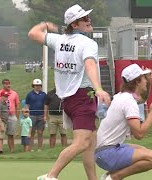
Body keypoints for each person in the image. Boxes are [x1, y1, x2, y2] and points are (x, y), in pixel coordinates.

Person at [28, 4, 111, 180]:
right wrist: (99, 89)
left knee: (89, 143)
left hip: (69, 99)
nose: (89, 21)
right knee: (81, 143)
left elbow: (33, 33)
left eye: (88, 17)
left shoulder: (59, 40)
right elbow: (89, 64)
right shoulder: (88, 43)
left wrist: (45, 24)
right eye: (84, 19)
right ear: (74, 24)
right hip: (83, 97)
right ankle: (50, 176)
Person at [95, 63, 152, 180]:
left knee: (143, 151)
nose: (146, 81)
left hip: (103, 151)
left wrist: (150, 81)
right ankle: (115, 177)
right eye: (144, 78)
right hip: (107, 153)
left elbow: (143, 98)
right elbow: (139, 134)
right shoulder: (128, 101)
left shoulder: (122, 96)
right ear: (137, 81)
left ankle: (110, 176)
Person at [0, 79, 20, 153]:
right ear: (3, 84)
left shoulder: (14, 93)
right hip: (2, 116)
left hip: (11, 116)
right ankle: (0, 150)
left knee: (11, 134)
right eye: (6, 84)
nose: (8, 85)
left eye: (9, 83)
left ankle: (12, 151)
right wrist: (0, 106)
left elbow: (17, 105)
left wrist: (17, 116)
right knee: (0, 134)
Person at [25, 78, 47, 151]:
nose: (37, 87)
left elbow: (45, 105)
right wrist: (27, 114)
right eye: (36, 85)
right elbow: (27, 105)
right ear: (33, 86)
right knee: (32, 132)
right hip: (32, 115)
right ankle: (31, 148)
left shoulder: (43, 94)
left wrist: (45, 115)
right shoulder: (30, 94)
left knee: (40, 132)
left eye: (39, 85)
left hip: (41, 115)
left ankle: (39, 148)